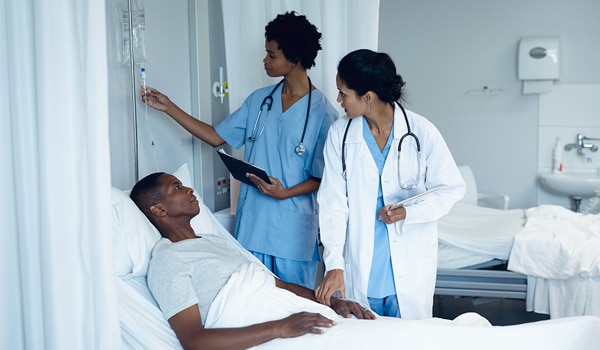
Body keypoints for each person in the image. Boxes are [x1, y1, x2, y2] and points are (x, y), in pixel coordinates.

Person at [141, 11, 337, 289]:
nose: (265, 60)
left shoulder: (323, 114)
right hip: (252, 224)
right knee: (251, 301)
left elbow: (323, 178)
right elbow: (215, 136)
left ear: (293, 60)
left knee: (294, 306)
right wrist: (169, 107)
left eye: (272, 55)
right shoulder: (260, 101)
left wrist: (286, 192)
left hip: (292, 233)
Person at [129, 172, 375, 350]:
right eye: (177, 187)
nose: (189, 190)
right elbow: (194, 341)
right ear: (159, 210)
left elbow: (278, 286)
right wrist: (280, 327)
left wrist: (331, 302)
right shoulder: (168, 261)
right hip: (270, 327)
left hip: (290, 312)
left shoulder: (213, 242)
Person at [314, 49, 466, 319]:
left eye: (343, 93)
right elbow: (333, 204)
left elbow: (451, 188)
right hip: (361, 267)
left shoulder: (422, 131)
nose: (338, 100)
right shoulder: (340, 133)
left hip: (408, 264)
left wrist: (410, 212)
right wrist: (334, 264)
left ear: (368, 97)